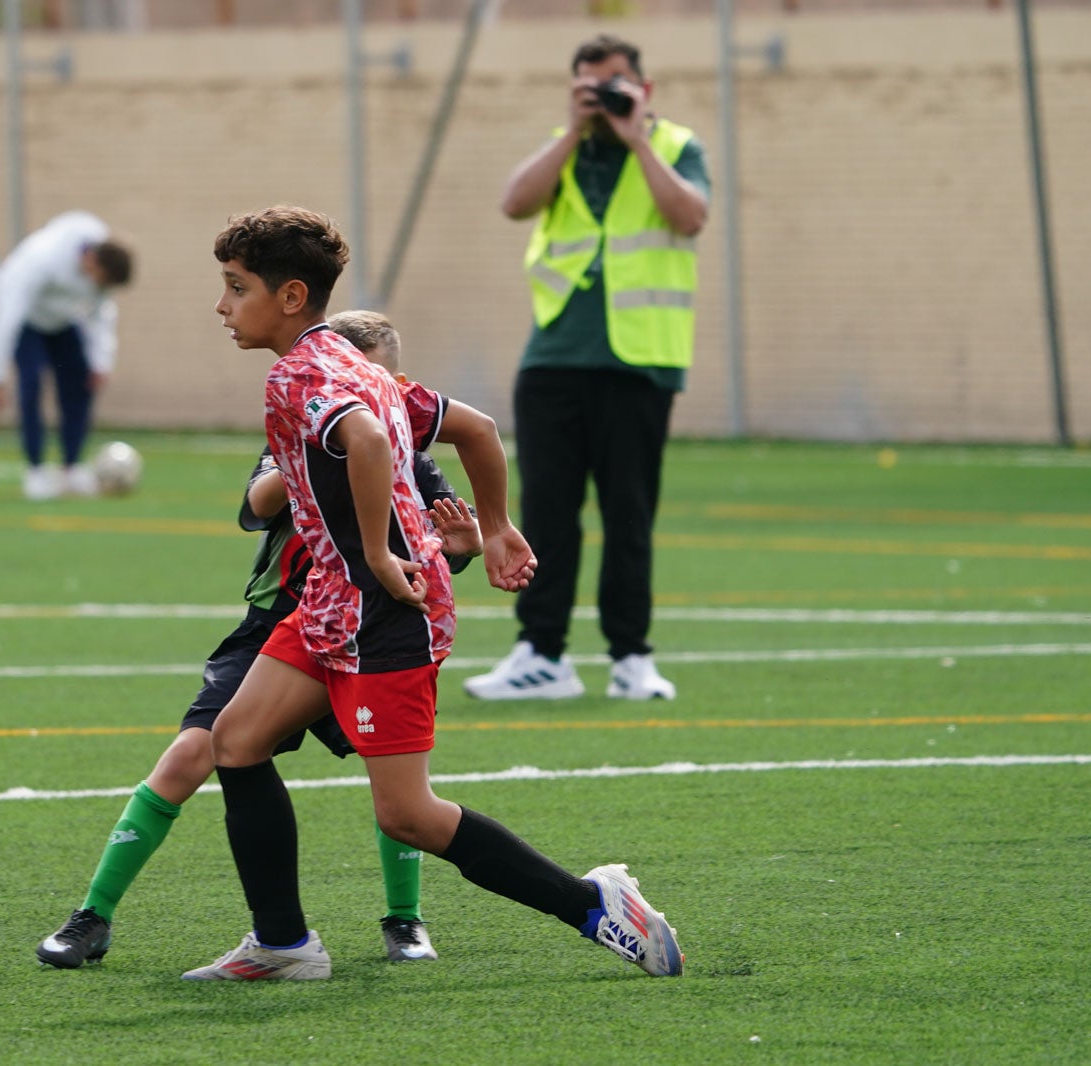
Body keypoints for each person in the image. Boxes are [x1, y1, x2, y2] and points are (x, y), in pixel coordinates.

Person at [184, 205, 683, 982]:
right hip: (329, 606)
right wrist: (497, 528)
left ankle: (592, 905)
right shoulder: (360, 367)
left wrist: (382, 555)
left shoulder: (301, 374)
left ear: (289, 297)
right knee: (236, 743)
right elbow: (478, 429)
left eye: (234, 287)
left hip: (386, 614)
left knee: (406, 816)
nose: (221, 305)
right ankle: (283, 944)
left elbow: (372, 443)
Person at [36, 310, 480, 969]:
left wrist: (465, 547)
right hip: (277, 630)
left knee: (396, 786)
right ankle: (91, 916)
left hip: (370, 632)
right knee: (191, 756)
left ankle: (404, 921)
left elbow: (436, 554)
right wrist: (321, 442)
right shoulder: (298, 430)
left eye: (383, 386)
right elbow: (259, 504)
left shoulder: (413, 462)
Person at [466, 34, 709, 703]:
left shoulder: (674, 145)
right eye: (590, 87)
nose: (604, 97)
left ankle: (631, 656)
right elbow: (515, 202)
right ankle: (540, 653)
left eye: (616, 85)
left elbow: (690, 217)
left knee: (627, 514)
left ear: (644, 88)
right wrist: (573, 131)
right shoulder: (563, 147)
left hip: (639, 364)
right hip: (553, 359)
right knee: (545, 514)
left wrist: (634, 138)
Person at [0, 211, 134, 501]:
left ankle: (71, 469)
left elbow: (102, 315)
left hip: (62, 321)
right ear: (92, 262)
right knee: (32, 384)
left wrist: (101, 363)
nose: (100, 289)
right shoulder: (42, 262)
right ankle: (35, 472)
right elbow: (8, 317)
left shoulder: (99, 261)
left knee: (81, 384)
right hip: (27, 321)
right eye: (101, 281)